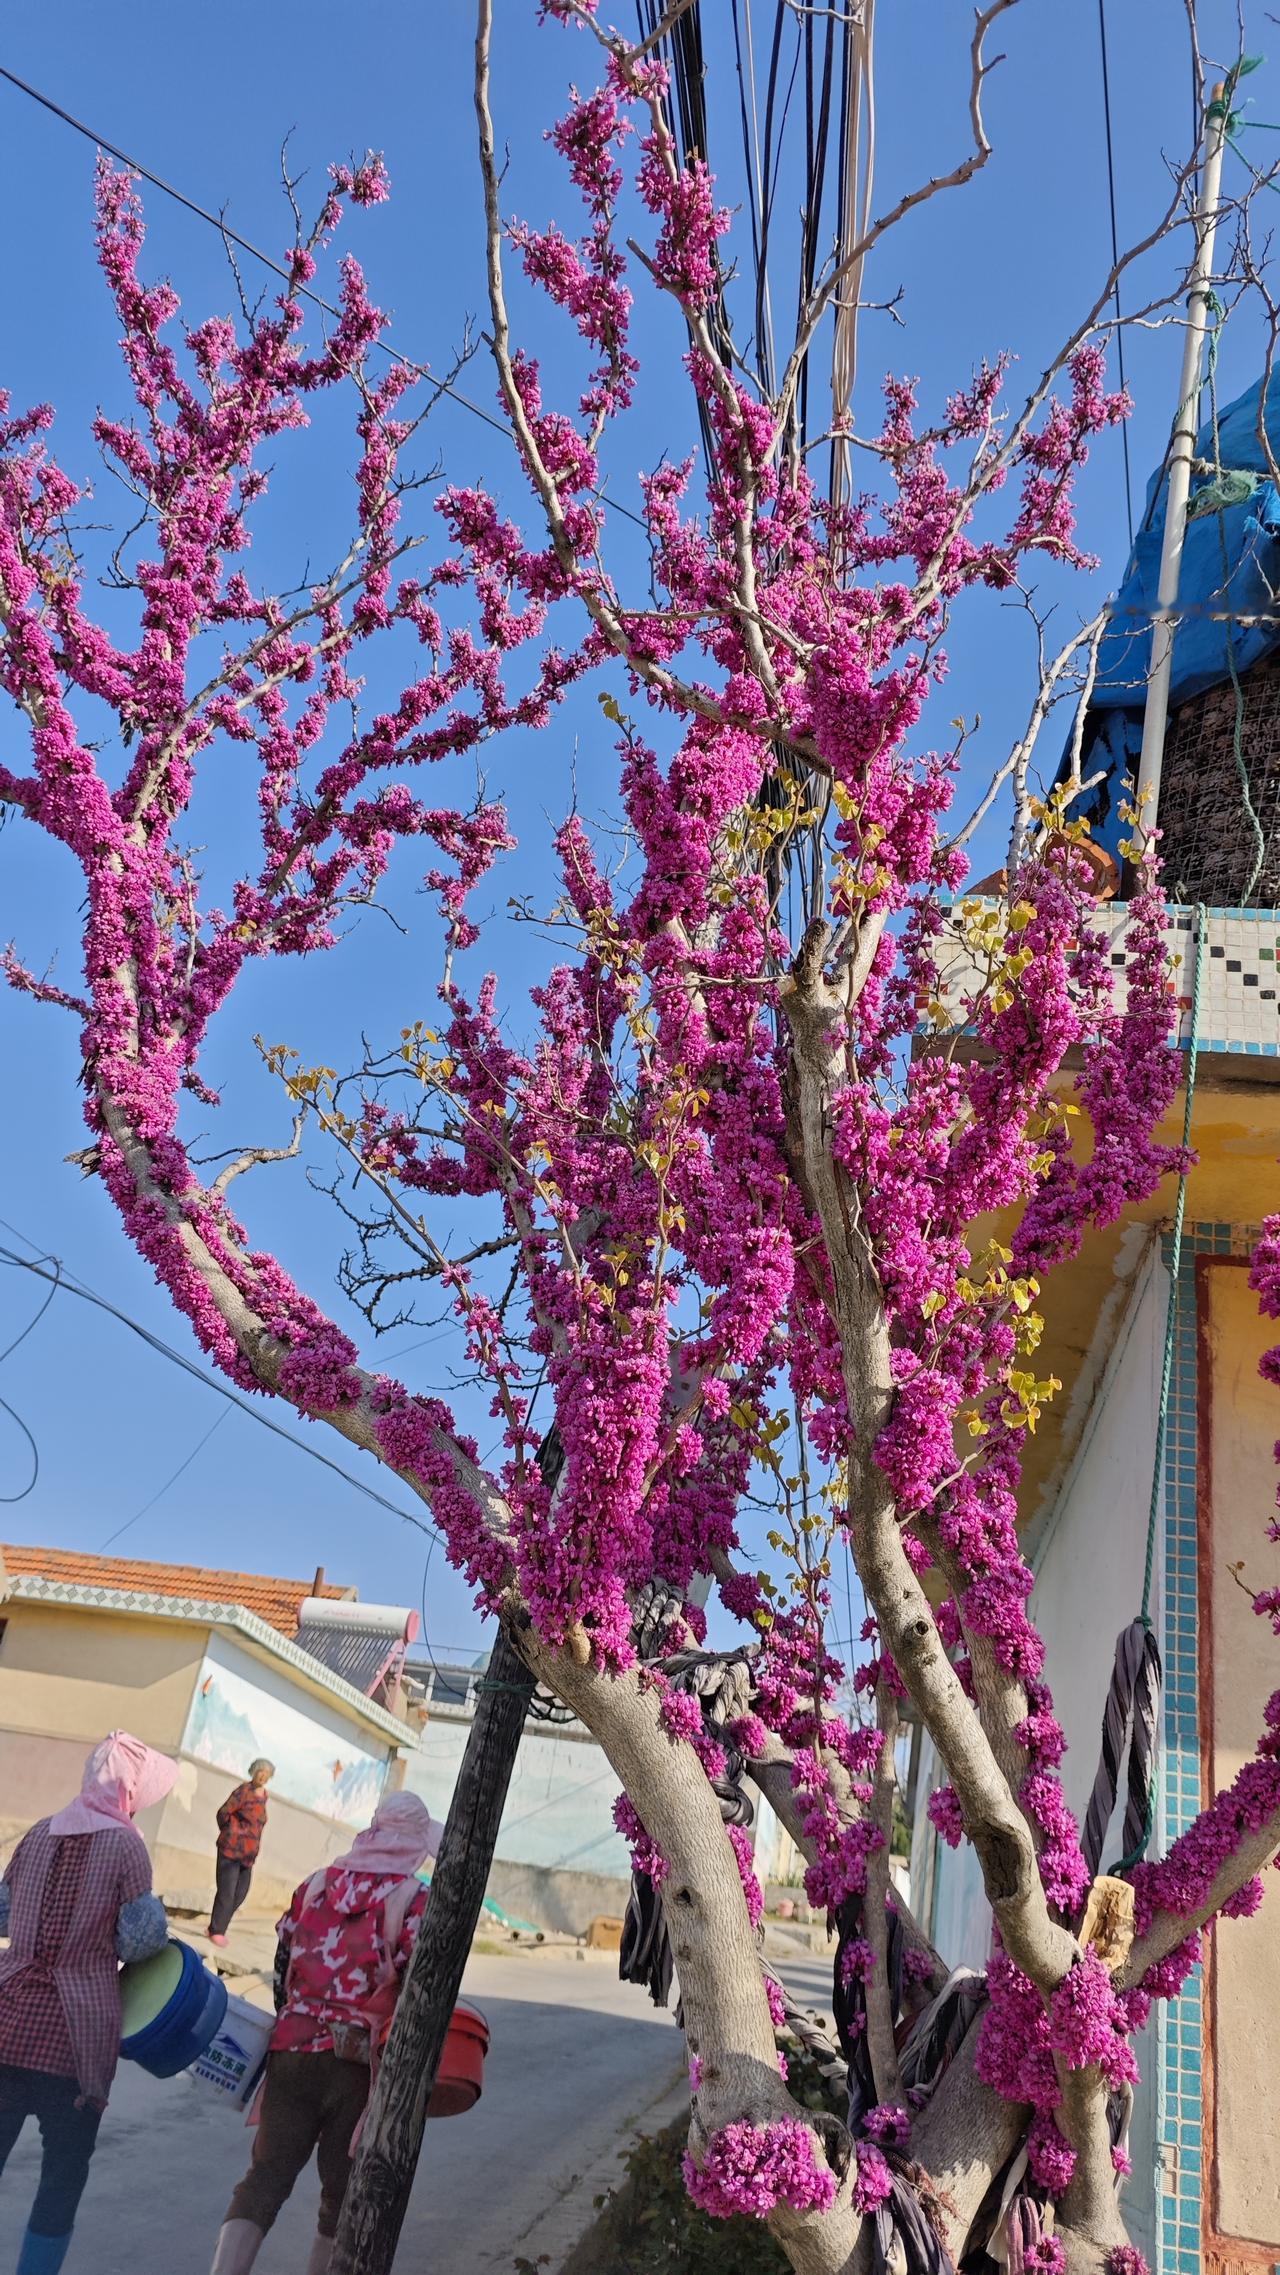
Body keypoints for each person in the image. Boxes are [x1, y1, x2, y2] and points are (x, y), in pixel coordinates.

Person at [209, 1790, 439, 2275]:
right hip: (356, 2067)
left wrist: (297, 2025)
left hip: (291, 2048)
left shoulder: (316, 1884)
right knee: (342, 2196)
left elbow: (282, 1962)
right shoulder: (413, 1900)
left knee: (264, 2178)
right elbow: (419, 1992)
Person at [0, 1730, 177, 2275]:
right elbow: (139, 1940)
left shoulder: (37, 1833)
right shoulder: (126, 1846)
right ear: (129, 1790)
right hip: (74, 2041)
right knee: (61, 2177)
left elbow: (3, 1913)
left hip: (6, 2020)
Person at [209, 1759, 275, 1946]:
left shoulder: (264, 1796)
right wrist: (231, 1831)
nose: (262, 1776)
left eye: (266, 1773)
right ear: (253, 1772)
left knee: (241, 1893)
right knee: (227, 1892)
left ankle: (217, 1925)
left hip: (248, 1855)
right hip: (231, 1850)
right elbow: (223, 1812)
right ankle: (217, 1930)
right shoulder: (243, 1791)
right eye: (259, 1771)